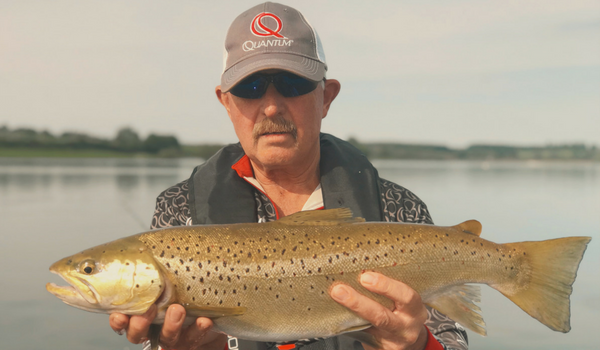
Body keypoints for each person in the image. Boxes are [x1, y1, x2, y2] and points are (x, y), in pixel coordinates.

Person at [109, 2, 469, 350]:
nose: (270, 106)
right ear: (226, 102)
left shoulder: (398, 209)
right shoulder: (178, 210)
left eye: (292, 84)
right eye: (249, 88)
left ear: (326, 98)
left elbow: (452, 340)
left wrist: (418, 346)